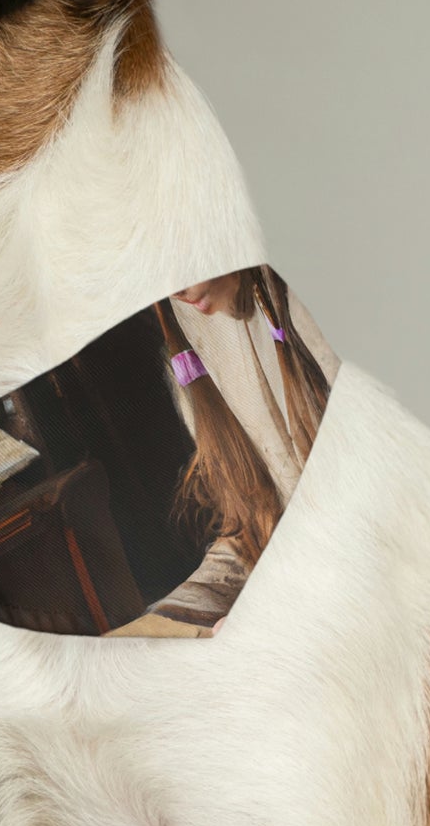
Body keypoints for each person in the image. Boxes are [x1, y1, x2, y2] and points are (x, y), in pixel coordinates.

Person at [106, 266, 338, 638]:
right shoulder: (188, 327)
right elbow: (254, 527)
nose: (174, 290)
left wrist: (269, 613)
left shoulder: (301, 289)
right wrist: (169, 620)